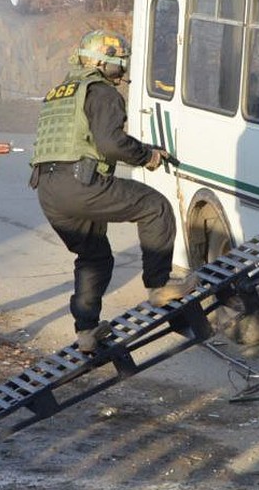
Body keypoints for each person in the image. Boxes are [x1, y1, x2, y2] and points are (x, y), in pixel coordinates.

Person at [30, 29, 195, 353]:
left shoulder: (60, 93)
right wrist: (147, 156)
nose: (122, 70)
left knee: (94, 256)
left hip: (47, 190)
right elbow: (109, 143)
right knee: (155, 206)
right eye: (119, 63)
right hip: (79, 185)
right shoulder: (101, 91)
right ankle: (159, 285)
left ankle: (87, 331)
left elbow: (79, 142)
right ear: (102, 62)